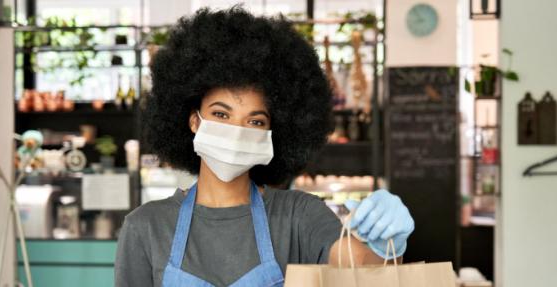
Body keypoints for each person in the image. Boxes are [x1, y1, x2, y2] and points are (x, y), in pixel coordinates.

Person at [115, 7, 414, 287]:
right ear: (194, 121)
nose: (235, 132)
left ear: (274, 131)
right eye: (221, 114)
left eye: (255, 121)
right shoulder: (146, 227)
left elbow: (361, 269)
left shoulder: (299, 216)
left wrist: (386, 245)